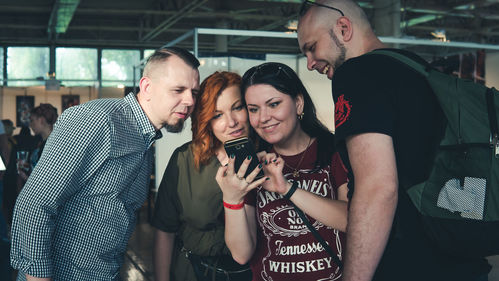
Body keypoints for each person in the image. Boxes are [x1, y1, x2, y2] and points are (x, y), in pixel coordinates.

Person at [297, 1, 491, 281]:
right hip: (463, 263)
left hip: (409, 265)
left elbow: (377, 188)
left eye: (311, 47)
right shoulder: (417, 68)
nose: (310, 63)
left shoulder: (356, 74)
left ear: (343, 28)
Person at [10, 46, 200, 281]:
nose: (189, 100)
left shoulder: (145, 140)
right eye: (178, 90)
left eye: (194, 92)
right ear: (147, 87)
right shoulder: (98, 120)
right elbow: (34, 204)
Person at [216, 62, 348, 281]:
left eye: (274, 104)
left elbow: (351, 220)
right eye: (253, 109)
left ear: (298, 103)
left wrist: (286, 188)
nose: (263, 118)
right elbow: (241, 254)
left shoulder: (335, 150)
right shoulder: (253, 164)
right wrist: (231, 198)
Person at [152, 71, 253, 281]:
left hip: (254, 272)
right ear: (206, 119)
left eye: (237, 107)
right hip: (195, 271)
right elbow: (164, 229)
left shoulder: (269, 155)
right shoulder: (185, 159)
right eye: (217, 115)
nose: (232, 122)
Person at [16, 104, 58, 182]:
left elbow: (47, 179)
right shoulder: (43, 142)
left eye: (32, 120)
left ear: (41, 120)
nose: (30, 124)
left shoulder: (51, 144)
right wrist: (27, 168)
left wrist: (27, 178)